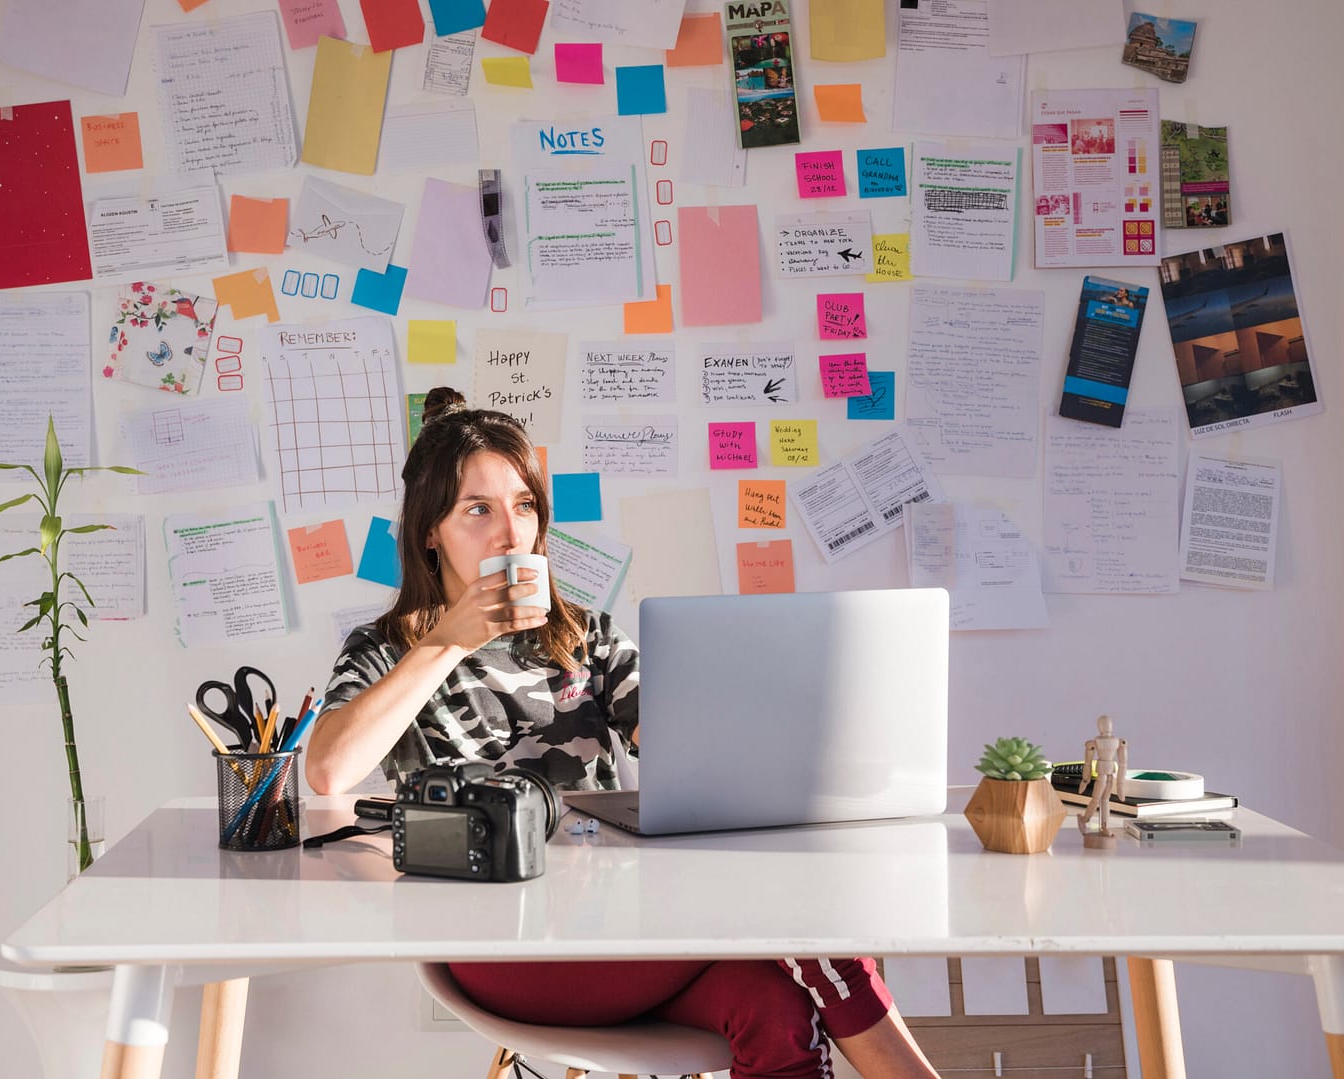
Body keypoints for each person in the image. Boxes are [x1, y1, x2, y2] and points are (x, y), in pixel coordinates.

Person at [307, 389, 941, 1079]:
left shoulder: (584, 635)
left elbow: (684, 751)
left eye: (523, 506)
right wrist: (449, 642)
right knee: (810, 923)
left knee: (776, 1009)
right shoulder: (386, 649)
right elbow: (329, 771)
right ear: (429, 529)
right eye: (478, 510)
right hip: (498, 946)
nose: (510, 534)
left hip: (623, 926)